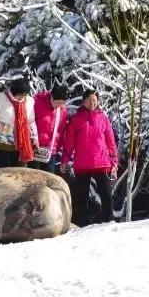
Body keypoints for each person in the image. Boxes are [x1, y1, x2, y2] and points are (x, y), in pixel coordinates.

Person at [61, 89, 119, 226]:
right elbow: (69, 143)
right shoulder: (76, 119)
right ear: (83, 101)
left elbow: (111, 141)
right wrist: (65, 160)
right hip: (82, 164)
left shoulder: (103, 118)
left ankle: (109, 222)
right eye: (89, 100)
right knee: (81, 196)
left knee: (107, 195)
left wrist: (114, 160)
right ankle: (81, 224)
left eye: (94, 100)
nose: (92, 103)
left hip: (102, 162)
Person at [0, 78, 39, 168]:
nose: (22, 97)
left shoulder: (29, 101)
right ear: (13, 91)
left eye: (24, 95)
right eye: (20, 95)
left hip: (20, 145)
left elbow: (31, 121)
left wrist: (34, 137)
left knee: (17, 173)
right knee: (3, 173)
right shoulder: (2, 97)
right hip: (1, 144)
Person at [32, 86, 68, 173]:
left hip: (51, 150)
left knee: (49, 179)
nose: (59, 106)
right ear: (52, 98)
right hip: (35, 148)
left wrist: (57, 146)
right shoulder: (36, 102)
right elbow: (29, 122)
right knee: (33, 178)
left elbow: (61, 130)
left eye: (62, 103)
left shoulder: (62, 110)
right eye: (58, 103)